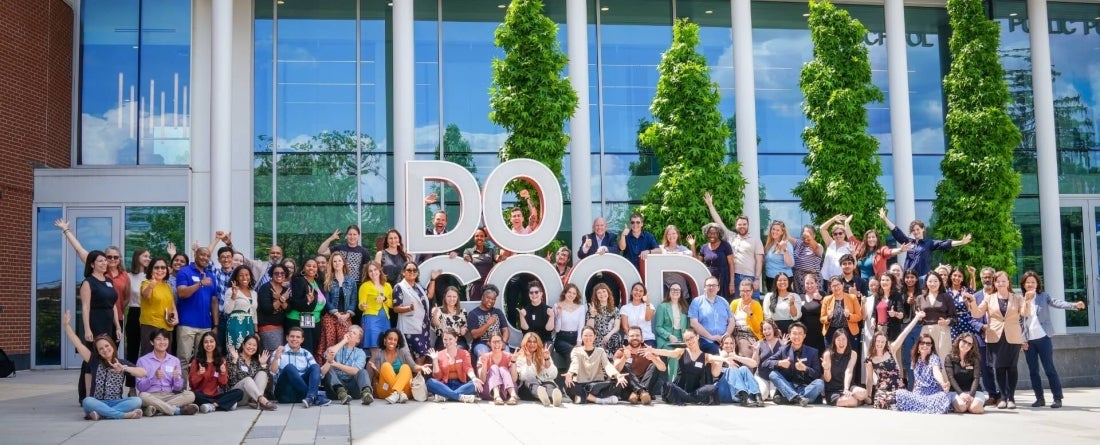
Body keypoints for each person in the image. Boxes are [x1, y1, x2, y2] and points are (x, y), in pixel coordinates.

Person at [61, 310, 145, 420]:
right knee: (87, 401)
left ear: (112, 346)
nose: (105, 350)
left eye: (107, 346)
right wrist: (66, 326)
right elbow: (78, 344)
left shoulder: (121, 362)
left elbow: (143, 372)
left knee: (137, 401)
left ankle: (101, 414)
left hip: (116, 402)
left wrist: (124, 368)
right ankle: (122, 415)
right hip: (97, 402)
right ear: (98, 352)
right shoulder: (94, 361)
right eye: (101, 349)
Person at [1020, 271, 1086, 408]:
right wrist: (1022, 340)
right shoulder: (1020, 299)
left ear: (1037, 284)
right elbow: (1019, 321)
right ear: (1023, 284)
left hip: (1043, 338)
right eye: (1027, 282)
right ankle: (1039, 399)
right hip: (1028, 341)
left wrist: (1074, 305)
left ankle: (1057, 398)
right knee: (1033, 371)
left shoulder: (1044, 296)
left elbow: (1057, 303)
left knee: (1049, 368)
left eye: (1033, 282)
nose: (1030, 284)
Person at [967, 270, 1030, 409]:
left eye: (1003, 281)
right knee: (999, 367)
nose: (1001, 283)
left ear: (1008, 282)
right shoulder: (989, 298)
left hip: (1013, 337)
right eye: (998, 281)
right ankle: (1002, 397)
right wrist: (972, 301)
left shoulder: (1017, 298)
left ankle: (1011, 398)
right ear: (995, 283)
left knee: (1012, 367)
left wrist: (1028, 301)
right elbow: (977, 313)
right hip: (994, 336)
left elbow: (1025, 313)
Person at [74, 250, 123, 401]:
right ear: (92, 264)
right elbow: (85, 307)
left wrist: (117, 326)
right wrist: (87, 329)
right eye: (100, 261)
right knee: (91, 358)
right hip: (95, 322)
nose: (104, 263)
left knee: (106, 357)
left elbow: (113, 305)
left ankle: (104, 393)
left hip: (108, 324)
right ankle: (86, 395)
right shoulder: (88, 282)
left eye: (105, 260)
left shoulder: (108, 281)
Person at [878, 208, 972, 279]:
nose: (916, 232)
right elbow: (896, 231)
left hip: (923, 278)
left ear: (923, 229)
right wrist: (885, 219)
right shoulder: (908, 242)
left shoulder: (929, 243)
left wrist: (961, 242)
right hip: (909, 278)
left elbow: (945, 243)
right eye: (913, 230)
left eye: (918, 229)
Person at [703, 193, 764, 300]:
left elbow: (759, 261)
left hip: (749, 277)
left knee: (752, 303)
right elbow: (718, 222)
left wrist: (757, 279)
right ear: (736, 226)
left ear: (748, 225)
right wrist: (710, 205)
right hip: (734, 277)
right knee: (735, 305)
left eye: (744, 224)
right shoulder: (731, 236)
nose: (742, 226)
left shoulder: (755, 239)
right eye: (739, 224)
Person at [649, 328, 723, 406]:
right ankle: (690, 399)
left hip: (695, 392)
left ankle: (686, 398)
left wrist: (725, 359)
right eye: (687, 340)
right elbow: (668, 352)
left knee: (713, 388)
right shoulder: (681, 351)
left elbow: (714, 358)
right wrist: (653, 350)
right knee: (668, 386)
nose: (690, 341)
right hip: (679, 389)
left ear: (697, 337)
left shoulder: (705, 356)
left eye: (691, 338)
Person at [864, 311, 923, 410]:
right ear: (874, 342)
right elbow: (869, 379)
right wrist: (868, 396)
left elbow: (904, 333)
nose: (880, 344)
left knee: (901, 399)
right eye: (878, 341)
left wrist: (917, 318)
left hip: (898, 388)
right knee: (881, 401)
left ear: (885, 343)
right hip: (882, 390)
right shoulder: (869, 359)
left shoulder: (891, 349)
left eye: (883, 342)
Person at [135, 329, 199, 416]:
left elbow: (178, 388)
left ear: (168, 341)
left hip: (169, 395)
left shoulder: (174, 360)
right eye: (158, 339)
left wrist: (177, 378)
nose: (162, 342)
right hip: (151, 395)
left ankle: (157, 409)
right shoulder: (142, 361)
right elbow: (140, 387)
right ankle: (177, 410)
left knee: (190, 395)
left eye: (165, 339)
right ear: (152, 342)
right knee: (142, 396)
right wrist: (153, 378)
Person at [175, 247, 218, 367]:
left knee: (203, 359)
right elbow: (182, 293)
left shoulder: (210, 276)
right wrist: (200, 284)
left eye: (208, 256)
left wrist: (215, 325)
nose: (205, 258)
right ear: (195, 255)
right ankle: (183, 381)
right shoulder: (184, 272)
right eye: (202, 255)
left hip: (205, 325)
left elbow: (214, 302)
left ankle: (199, 380)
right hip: (187, 324)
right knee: (184, 359)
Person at [763, 322, 824, 406]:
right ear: (789, 335)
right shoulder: (783, 350)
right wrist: (779, 363)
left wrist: (805, 368)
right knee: (773, 374)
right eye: (794, 333)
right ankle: (798, 399)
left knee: (820, 383)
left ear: (804, 336)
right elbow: (765, 363)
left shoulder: (813, 352)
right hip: (788, 386)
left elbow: (817, 374)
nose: (797, 336)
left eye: (800, 334)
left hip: (806, 387)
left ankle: (792, 398)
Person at [565, 326, 628, 405]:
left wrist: (617, 375)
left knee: (617, 384)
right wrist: (570, 373)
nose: (588, 338)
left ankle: (583, 398)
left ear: (594, 337)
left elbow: (607, 365)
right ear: (581, 337)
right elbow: (575, 363)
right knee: (570, 387)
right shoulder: (576, 351)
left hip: (596, 385)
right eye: (585, 335)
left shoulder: (600, 351)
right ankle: (599, 400)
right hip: (581, 383)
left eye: (590, 335)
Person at [270, 327, 330, 407]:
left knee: (315, 366)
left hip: (300, 395)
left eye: (298, 337)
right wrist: (276, 358)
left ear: (302, 340)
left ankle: (311, 397)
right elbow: (273, 372)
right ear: (287, 338)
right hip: (284, 393)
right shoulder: (279, 351)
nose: (294, 339)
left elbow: (319, 373)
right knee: (290, 368)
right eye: (292, 336)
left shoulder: (306, 353)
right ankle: (314, 397)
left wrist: (329, 362)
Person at [894, 333, 952, 413]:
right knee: (899, 393)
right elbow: (916, 381)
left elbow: (936, 371)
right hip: (918, 394)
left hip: (933, 395)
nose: (925, 345)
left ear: (931, 346)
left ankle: (919, 407)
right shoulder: (915, 359)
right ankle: (927, 408)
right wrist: (913, 394)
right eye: (922, 343)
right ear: (918, 345)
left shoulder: (933, 358)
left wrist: (942, 383)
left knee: (944, 396)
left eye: (928, 344)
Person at [189, 332, 246, 412]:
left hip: (216, 396)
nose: (209, 344)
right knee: (194, 395)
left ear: (215, 343)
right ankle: (224, 404)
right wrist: (199, 374)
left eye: (211, 341)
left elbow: (223, 384)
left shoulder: (221, 360)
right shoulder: (196, 361)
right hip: (201, 395)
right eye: (206, 342)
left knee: (239, 392)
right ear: (202, 344)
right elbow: (192, 384)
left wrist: (223, 373)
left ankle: (212, 406)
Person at [369, 329, 428, 404]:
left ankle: (397, 393)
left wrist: (422, 367)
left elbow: (413, 367)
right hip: (386, 390)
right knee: (385, 366)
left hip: (405, 392)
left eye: (395, 340)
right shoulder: (379, 354)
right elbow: (378, 376)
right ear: (385, 340)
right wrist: (375, 370)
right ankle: (399, 392)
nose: (392, 342)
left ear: (397, 342)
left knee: (406, 367)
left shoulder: (403, 352)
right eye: (390, 339)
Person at [612, 326, 666, 405]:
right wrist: (624, 358)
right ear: (627, 338)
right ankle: (642, 392)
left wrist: (653, 358)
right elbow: (615, 370)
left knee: (655, 365)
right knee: (625, 366)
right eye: (632, 336)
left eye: (637, 335)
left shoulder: (649, 350)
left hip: (646, 384)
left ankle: (638, 393)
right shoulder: (621, 351)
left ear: (642, 338)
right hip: (628, 387)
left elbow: (663, 368)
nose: (635, 338)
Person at [425, 329, 480, 404]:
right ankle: (459, 397)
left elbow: (468, 368)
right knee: (430, 382)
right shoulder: (439, 354)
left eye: (450, 339)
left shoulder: (464, 353)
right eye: (445, 339)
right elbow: (438, 377)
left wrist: (474, 378)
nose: (447, 342)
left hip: (460, 385)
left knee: (474, 384)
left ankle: (446, 396)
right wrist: (435, 360)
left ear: (456, 339)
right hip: (444, 385)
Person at [321, 326, 373, 405]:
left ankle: (366, 394)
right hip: (335, 390)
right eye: (349, 331)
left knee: (363, 371)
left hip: (353, 388)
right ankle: (342, 394)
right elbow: (328, 354)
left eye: (354, 333)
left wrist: (335, 364)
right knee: (329, 369)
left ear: (358, 340)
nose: (350, 333)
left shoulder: (360, 352)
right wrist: (344, 341)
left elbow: (355, 371)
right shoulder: (337, 347)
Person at [970, 267, 1000, 406]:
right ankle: (992, 395)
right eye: (984, 277)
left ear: (994, 278)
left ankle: (1004, 395)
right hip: (981, 338)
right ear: (981, 279)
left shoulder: (1000, 294)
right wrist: (982, 327)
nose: (987, 280)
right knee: (985, 368)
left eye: (989, 277)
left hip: (999, 337)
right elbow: (970, 318)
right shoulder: (975, 297)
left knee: (1000, 366)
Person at [319, 252, 357, 358]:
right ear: (331, 264)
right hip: (331, 316)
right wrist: (337, 314)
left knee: (344, 342)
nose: (337, 263)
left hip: (346, 316)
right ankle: (328, 365)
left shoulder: (351, 280)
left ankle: (341, 365)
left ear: (343, 263)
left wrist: (347, 315)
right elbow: (326, 300)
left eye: (339, 260)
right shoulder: (327, 280)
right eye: (334, 261)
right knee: (329, 343)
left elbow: (353, 300)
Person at [393, 264, 434, 361]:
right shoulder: (399, 287)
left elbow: (429, 295)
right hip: (410, 327)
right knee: (419, 355)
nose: (412, 272)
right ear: (403, 273)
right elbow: (396, 308)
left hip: (423, 327)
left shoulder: (418, 286)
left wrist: (433, 279)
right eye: (409, 270)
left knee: (423, 354)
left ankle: (416, 371)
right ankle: (416, 371)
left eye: (414, 270)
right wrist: (409, 308)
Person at [138, 258, 178, 356]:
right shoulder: (146, 283)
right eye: (156, 267)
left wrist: (176, 318)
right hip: (151, 326)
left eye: (163, 267)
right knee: (149, 356)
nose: (160, 270)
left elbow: (172, 304)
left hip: (167, 327)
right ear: (151, 269)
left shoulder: (167, 286)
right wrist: (151, 285)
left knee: (166, 357)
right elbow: (146, 295)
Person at [287, 258, 325, 361]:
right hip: (298, 319)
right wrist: (307, 301)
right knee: (306, 349)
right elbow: (294, 302)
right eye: (308, 265)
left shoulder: (317, 283)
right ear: (303, 268)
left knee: (312, 349)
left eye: (314, 266)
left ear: (317, 269)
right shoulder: (299, 280)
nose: (311, 268)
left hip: (314, 320)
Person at [226, 335, 277, 410]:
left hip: (251, 397)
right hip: (237, 395)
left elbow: (266, 379)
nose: (251, 347)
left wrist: (263, 365)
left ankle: (256, 401)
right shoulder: (233, 355)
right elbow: (230, 379)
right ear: (243, 345)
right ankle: (261, 400)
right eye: (249, 344)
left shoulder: (256, 361)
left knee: (262, 373)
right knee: (248, 379)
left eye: (254, 345)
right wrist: (234, 361)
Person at [513, 332, 563, 406]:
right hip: (527, 388)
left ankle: (553, 396)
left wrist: (547, 359)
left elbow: (553, 375)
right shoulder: (519, 356)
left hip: (544, 383)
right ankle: (543, 395)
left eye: (534, 342)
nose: (532, 344)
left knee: (549, 384)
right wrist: (528, 361)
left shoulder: (544, 354)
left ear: (538, 343)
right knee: (532, 383)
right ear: (525, 343)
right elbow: (524, 377)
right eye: (529, 341)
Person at [822, 330, 869, 407]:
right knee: (852, 401)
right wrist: (826, 369)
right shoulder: (828, 354)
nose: (841, 342)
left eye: (844, 339)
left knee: (863, 393)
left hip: (848, 387)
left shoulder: (853, 353)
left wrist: (846, 389)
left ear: (847, 340)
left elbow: (848, 371)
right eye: (838, 339)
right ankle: (860, 401)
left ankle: (859, 398)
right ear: (834, 341)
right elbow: (827, 379)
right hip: (833, 390)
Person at [689, 276, 735, 355]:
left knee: (734, 355)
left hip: (724, 340)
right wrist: (711, 337)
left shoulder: (724, 302)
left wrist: (726, 335)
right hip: (705, 340)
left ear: (718, 288)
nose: (711, 288)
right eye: (709, 285)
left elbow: (732, 321)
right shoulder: (696, 302)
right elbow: (693, 323)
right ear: (704, 288)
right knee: (720, 354)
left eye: (714, 285)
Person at [715, 334, 763, 406]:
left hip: (736, 395)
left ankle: (757, 395)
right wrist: (722, 358)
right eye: (726, 343)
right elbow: (715, 374)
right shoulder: (717, 357)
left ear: (734, 345)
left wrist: (735, 357)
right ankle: (744, 397)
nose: (729, 345)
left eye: (731, 343)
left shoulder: (737, 357)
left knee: (744, 368)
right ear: (722, 345)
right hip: (723, 392)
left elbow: (754, 364)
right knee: (732, 369)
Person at [918, 271, 956, 361]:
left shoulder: (946, 297)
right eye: (930, 281)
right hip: (926, 330)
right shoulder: (920, 298)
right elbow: (918, 318)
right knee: (925, 357)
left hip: (943, 330)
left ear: (940, 282)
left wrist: (947, 321)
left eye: (935, 281)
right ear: (926, 282)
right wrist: (919, 318)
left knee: (943, 357)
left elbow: (954, 317)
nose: (933, 284)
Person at [654, 282, 689, 379]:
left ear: (681, 293)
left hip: (681, 338)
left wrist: (687, 338)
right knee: (674, 354)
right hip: (666, 339)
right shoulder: (662, 306)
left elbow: (688, 327)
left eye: (678, 290)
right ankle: (671, 383)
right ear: (669, 292)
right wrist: (669, 336)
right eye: (673, 289)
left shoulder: (684, 307)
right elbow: (658, 327)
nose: (675, 291)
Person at [945, 332, 986, 414]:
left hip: (974, 391)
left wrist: (971, 395)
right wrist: (961, 394)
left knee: (975, 408)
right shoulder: (949, 358)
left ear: (972, 347)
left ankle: (975, 406)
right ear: (959, 341)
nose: (966, 345)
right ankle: (966, 406)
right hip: (956, 392)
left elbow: (976, 378)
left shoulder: (975, 359)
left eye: (969, 344)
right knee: (961, 407)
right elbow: (951, 378)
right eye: (964, 341)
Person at [468, 284, 510, 363]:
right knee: (484, 355)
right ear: (482, 297)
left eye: (493, 299)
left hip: (498, 343)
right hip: (481, 344)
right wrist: (488, 324)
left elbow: (505, 330)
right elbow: (474, 335)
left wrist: (503, 342)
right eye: (488, 298)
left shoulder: (498, 312)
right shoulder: (473, 314)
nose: (490, 301)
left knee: (506, 354)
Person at [359, 261, 392, 356]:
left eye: (375, 269)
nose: (373, 272)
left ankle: (382, 367)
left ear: (380, 270)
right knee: (375, 351)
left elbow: (392, 305)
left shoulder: (388, 286)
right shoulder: (365, 286)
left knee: (384, 350)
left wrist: (385, 299)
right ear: (367, 273)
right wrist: (362, 306)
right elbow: (361, 304)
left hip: (385, 320)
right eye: (370, 271)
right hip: (371, 320)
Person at [820, 276, 863, 347]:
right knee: (831, 354)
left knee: (850, 353)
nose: (836, 287)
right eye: (833, 286)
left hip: (849, 332)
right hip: (831, 332)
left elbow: (859, 316)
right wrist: (828, 317)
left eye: (838, 284)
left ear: (842, 285)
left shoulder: (852, 298)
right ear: (830, 287)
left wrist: (849, 316)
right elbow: (822, 319)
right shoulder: (826, 299)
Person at [256, 263, 290, 353]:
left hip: (281, 328)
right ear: (271, 274)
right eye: (276, 273)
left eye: (282, 273)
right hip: (268, 328)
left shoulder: (285, 290)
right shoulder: (265, 288)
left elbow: (288, 309)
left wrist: (279, 298)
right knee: (273, 354)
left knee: (279, 354)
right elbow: (267, 309)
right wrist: (282, 299)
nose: (279, 275)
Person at [125, 248, 150, 367]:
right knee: (132, 348)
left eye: (149, 257)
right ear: (137, 257)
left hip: (149, 313)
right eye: (145, 256)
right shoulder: (128, 276)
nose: (148, 259)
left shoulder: (151, 276)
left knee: (148, 347)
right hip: (134, 312)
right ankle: (131, 378)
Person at [223, 265, 257, 351]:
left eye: (247, 275)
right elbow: (227, 310)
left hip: (250, 326)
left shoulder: (254, 293)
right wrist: (233, 296)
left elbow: (254, 313)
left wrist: (256, 331)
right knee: (236, 351)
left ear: (250, 276)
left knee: (249, 351)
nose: (244, 277)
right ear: (237, 278)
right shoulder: (230, 291)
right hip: (236, 325)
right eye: (241, 275)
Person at [696, 223, 735, 299]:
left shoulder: (725, 245)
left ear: (719, 234)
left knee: (723, 300)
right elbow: (698, 263)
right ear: (707, 233)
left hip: (723, 280)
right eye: (710, 233)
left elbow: (731, 264)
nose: (712, 235)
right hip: (709, 279)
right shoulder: (704, 247)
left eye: (715, 233)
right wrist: (692, 246)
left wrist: (732, 283)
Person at [478, 333, 518, 404]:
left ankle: (513, 396)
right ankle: (497, 396)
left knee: (503, 368)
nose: (496, 344)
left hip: (506, 391)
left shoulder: (509, 356)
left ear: (502, 343)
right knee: (494, 367)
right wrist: (484, 364)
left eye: (499, 341)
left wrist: (513, 362)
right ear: (489, 343)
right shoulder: (484, 357)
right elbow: (482, 380)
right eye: (494, 342)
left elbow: (514, 379)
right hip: (490, 391)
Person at [553, 284, 586, 366]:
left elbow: (581, 325)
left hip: (575, 338)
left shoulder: (581, 308)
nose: (571, 295)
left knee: (577, 352)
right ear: (565, 293)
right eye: (569, 292)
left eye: (574, 293)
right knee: (572, 351)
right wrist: (559, 315)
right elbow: (557, 329)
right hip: (561, 338)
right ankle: (572, 373)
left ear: (576, 295)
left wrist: (579, 342)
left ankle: (572, 373)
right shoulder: (557, 306)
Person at [818, 214, 856, 284]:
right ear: (833, 235)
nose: (838, 235)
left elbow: (854, 266)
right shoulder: (830, 243)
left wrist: (853, 253)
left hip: (840, 281)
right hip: (825, 279)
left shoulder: (849, 246)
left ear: (844, 234)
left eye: (840, 233)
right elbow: (822, 229)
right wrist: (833, 219)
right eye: (835, 234)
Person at [462, 227, 499, 299]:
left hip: (488, 287)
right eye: (477, 236)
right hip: (473, 287)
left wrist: (500, 257)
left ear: (485, 238)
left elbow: (497, 258)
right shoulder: (468, 251)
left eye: (482, 236)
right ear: (474, 238)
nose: (479, 238)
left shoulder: (491, 251)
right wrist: (466, 257)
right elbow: (466, 257)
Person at [587, 283, 623, 353]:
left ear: (608, 293)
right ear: (596, 295)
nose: (602, 294)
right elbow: (589, 328)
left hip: (610, 340)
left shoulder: (615, 309)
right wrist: (592, 315)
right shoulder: (592, 309)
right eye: (599, 293)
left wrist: (608, 335)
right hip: (597, 341)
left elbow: (617, 327)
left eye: (604, 291)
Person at [431, 285, 469, 350]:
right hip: (443, 339)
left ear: (457, 298)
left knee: (458, 349)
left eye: (454, 297)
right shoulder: (437, 310)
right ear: (445, 297)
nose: (452, 299)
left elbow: (464, 328)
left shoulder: (462, 311)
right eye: (449, 296)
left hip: (458, 339)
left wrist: (464, 330)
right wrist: (434, 315)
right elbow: (436, 324)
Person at [619, 282, 656, 347]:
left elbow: (648, 318)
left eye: (641, 291)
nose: (638, 292)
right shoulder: (625, 308)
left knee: (647, 353)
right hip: (630, 338)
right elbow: (625, 327)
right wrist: (633, 338)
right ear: (631, 292)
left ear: (644, 294)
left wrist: (647, 304)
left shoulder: (649, 306)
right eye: (636, 290)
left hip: (647, 338)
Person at [754, 320, 783, 400]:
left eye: (769, 328)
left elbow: (787, 362)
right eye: (764, 329)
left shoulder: (781, 342)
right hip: (762, 375)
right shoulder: (759, 343)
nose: (767, 331)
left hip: (776, 375)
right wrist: (756, 351)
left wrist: (784, 347)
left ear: (774, 329)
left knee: (774, 396)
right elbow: (755, 363)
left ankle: (771, 392)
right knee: (762, 396)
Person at [790, 225, 823, 295]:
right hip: (798, 277)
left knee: (815, 298)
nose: (806, 236)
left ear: (814, 236)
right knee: (800, 299)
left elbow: (816, 248)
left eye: (810, 233)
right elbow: (786, 237)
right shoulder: (798, 243)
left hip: (813, 278)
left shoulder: (818, 246)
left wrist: (808, 237)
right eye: (804, 233)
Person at [762, 221, 794, 292]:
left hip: (783, 280)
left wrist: (784, 249)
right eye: (773, 229)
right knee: (772, 298)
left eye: (778, 230)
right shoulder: (769, 244)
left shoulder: (786, 244)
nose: (774, 231)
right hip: (770, 278)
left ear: (782, 232)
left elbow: (790, 264)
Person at [799, 273, 826, 352]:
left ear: (816, 284)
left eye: (812, 283)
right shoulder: (800, 297)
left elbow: (829, 309)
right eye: (807, 283)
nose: (809, 285)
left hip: (819, 333)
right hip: (804, 334)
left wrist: (820, 298)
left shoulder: (822, 294)